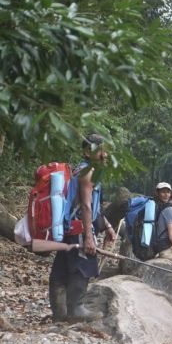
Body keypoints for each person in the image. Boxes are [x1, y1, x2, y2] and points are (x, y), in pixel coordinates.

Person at [49, 134, 116, 323]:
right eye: (100, 150)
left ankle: (59, 312)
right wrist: (88, 236)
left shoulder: (80, 169)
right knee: (83, 267)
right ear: (87, 152)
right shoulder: (88, 173)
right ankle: (75, 309)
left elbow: (92, 206)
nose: (105, 154)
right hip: (79, 229)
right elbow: (86, 206)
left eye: (105, 150)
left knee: (62, 267)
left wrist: (108, 226)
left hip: (69, 227)